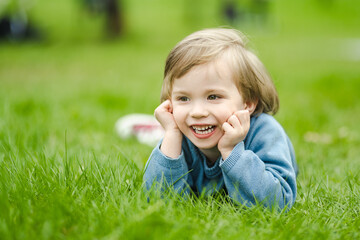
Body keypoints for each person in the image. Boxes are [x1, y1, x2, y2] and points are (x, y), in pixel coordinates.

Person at [142, 28, 298, 210]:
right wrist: (171, 135)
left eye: (213, 97)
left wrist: (232, 151)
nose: (197, 112)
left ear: (247, 102)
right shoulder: (179, 135)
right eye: (183, 99)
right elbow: (156, 201)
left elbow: (278, 204)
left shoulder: (265, 132)